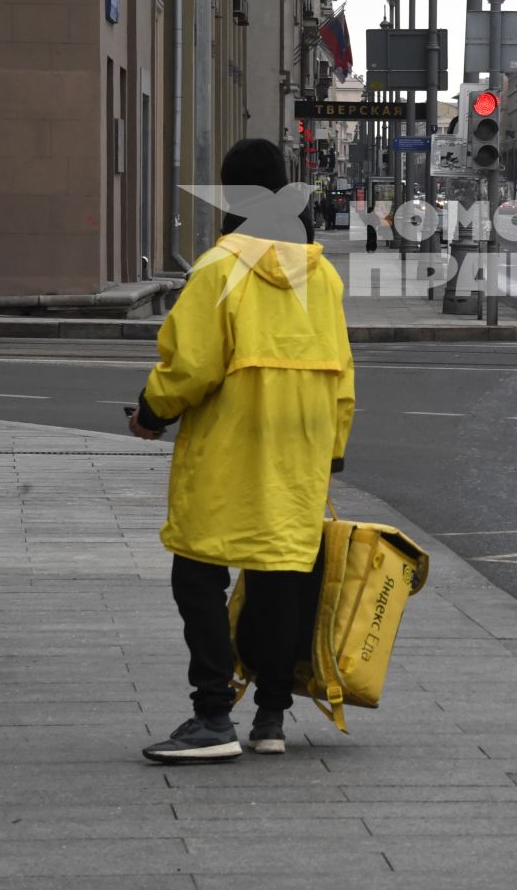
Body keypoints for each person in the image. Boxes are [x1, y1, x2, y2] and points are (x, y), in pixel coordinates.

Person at [131, 139, 355, 763]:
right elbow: (344, 372)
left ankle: (211, 716)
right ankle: (271, 717)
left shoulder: (217, 269)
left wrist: (150, 415)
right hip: (301, 450)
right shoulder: (323, 274)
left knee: (198, 571)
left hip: (230, 447)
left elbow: (191, 368)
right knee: (282, 574)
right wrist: (333, 448)